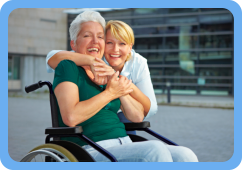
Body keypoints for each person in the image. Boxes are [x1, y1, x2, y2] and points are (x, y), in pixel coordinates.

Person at [52, 10, 198, 162]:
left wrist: (118, 89)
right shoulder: (67, 66)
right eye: (87, 35)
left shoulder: (107, 69)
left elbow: (137, 116)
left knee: (185, 155)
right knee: (154, 150)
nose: (95, 41)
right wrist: (110, 93)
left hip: (124, 143)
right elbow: (71, 117)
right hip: (90, 148)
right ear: (73, 44)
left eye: (100, 37)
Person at [46, 20, 157, 136]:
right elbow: (51, 57)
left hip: (120, 112)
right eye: (109, 43)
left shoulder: (138, 62)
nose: (115, 49)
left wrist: (124, 84)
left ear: (130, 47)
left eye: (122, 44)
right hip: (97, 121)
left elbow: (150, 109)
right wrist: (92, 60)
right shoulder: (94, 55)